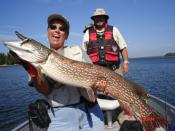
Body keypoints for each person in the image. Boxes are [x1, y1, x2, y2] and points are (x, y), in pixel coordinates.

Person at [29, 13, 104, 131]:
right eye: (53, 27)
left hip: (90, 109)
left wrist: (99, 86)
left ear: (67, 35)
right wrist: (32, 71)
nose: (57, 31)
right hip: (61, 114)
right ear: (47, 31)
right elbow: (45, 90)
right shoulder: (36, 58)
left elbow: (95, 77)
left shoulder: (77, 51)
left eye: (62, 29)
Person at [82, 8, 129, 76]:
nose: (99, 19)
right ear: (94, 19)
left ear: (105, 18)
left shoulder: (114, 30)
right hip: (96, 72)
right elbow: (84, 53)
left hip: (115, 70)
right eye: (97, 17)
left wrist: (125, 63)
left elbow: (123, 48)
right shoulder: (87, 33)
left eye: (101, 17)